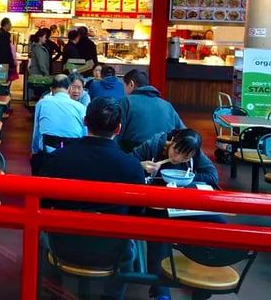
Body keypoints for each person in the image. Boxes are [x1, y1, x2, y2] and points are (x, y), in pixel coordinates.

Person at [39, 96, 146, 300]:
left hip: (63, 244)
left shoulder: (58, 159)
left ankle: (55, 293)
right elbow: (137, 213)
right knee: (128, 246)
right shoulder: (132, 167)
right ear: (118, 129)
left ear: (85, 121)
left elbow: (44, 202)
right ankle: (112, 297)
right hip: (112, 251)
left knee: (45, 237)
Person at [133, 128, 221, 300]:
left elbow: (212, 175)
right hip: (153, 206)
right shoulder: (153, 146)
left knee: (218, 224)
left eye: (185, 157)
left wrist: (187, 177)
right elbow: (126, 165)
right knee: (160, 234)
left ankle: (202, 284)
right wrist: (140, 167)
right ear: (171, 141)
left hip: (182, 205)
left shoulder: (193, 151)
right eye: (176, 151)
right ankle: (161, 291)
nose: (177, 159)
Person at [30, 74, 86, 175]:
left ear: (51, 89)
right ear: (69, 88)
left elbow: (36, 132)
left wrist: (34, 151)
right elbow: (84, 136)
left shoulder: (41, 104)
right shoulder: (81, 108)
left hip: (47, 158)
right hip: (72, 161)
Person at [118, 69, 185, 151]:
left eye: (124, 86)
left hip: (133, 154)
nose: (124, 91)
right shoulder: (167, 105)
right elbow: (184, 133)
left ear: (131, 84)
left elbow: (116, 132)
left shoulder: (126, 101)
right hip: (161, 155)